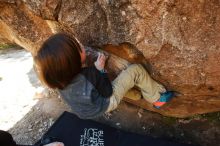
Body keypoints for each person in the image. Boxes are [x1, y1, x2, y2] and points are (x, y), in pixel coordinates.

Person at [33, 33, 174, 119]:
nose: (81, 45)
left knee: (108, 85)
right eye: (78, 47)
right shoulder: (89, 75)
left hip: (86, 112)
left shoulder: (58, 81)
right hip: (106, 103)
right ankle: (157, 98)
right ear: (74, 61)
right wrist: (100, 70)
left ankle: (133, 94)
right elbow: (108, 91)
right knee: (136, 70)